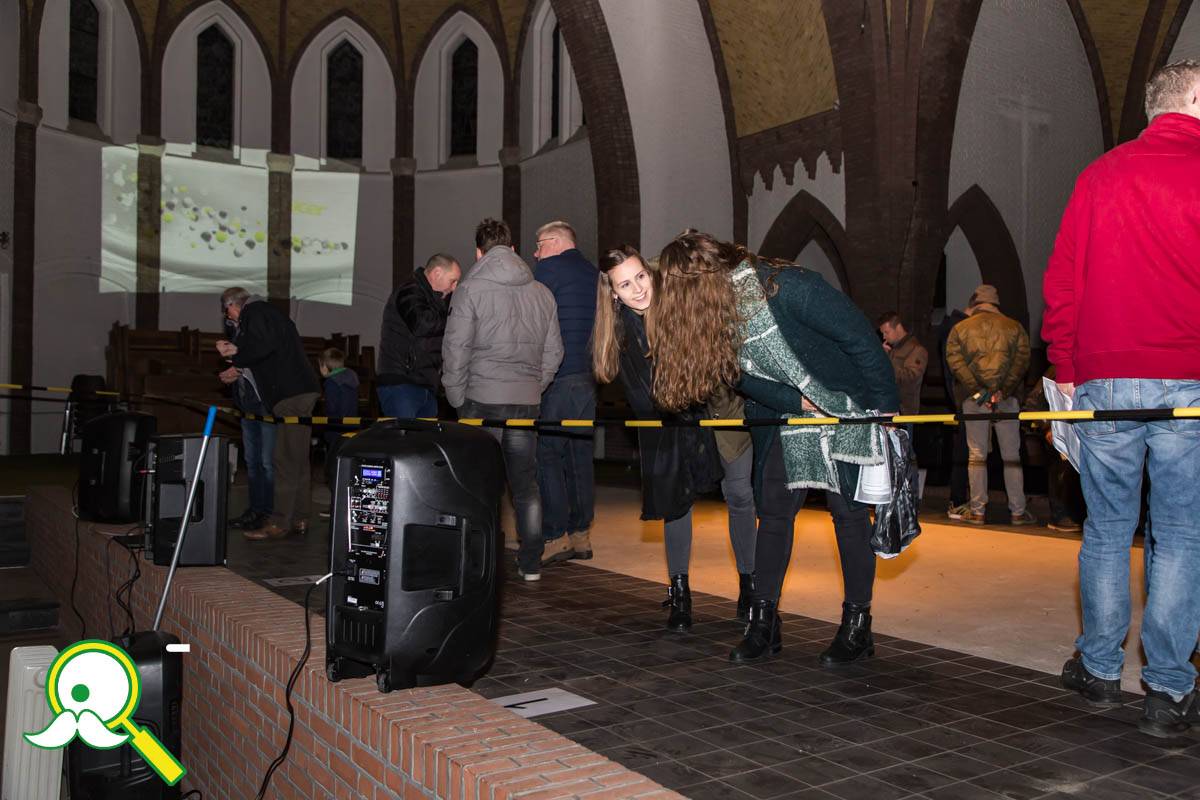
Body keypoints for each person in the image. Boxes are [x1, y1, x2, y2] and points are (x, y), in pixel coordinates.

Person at [650, 231, 898, 666]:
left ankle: (857, 628)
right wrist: (795, 401)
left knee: (849, 515)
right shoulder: (716, 316)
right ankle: (763, 624)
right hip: (791, 415)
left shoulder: (788, 288)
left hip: (847, 405)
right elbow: (735, 374)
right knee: (774, 510)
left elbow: (860, 338)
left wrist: (886, 413)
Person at [1044, 60, 1200, 736]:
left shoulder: (1099, 176)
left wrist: (1065, 364)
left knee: (1107, 528)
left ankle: (1101, 670)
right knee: (1181, 533)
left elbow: (1063, 280)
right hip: (1190, 381)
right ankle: (1168, 690)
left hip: (1105, 381)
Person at [592, 246, 756, 630]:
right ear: (613, 293)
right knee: (675, 501)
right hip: (667, 422)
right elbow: (638, 396)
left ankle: (750, 586)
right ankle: (680, 592)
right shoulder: (619, 332)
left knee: (739, 494)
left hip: (720, 409)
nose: (638, 289)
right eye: (625, 285)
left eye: (641, 277)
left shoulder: (679, 302)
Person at [441, 218, 563, 581]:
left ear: (479, 253)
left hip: (480, 400)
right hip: (526, 402)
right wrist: (533, 386)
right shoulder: (542, 292)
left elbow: (455, 349)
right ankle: (531, 563)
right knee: (525, 485)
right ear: (512, 249)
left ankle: (479, 562)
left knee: (478, 484)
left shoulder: (469, 289)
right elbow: (554, 353)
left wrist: (456, 397)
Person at [216, 287, 320, 540]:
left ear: (233, 305)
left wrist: (234, 354)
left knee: (284, 460)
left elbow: (262, 346)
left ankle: (280, 522)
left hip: (290, 394)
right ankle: (300, 518)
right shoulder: (268, 314)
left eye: (227, 312)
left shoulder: (255, 311)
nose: (229, 318)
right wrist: (238, 362)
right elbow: (265, 348)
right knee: (297, 460)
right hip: (300, 391)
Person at [532, 221, 600, 564]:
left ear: (556, 242)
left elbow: (534, 321)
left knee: (547, 455)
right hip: (588, 376)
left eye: (540, 245)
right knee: (579, 456)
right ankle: (581, 535)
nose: (536, 253)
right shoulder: (594, 273)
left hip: (559, 375)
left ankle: (554, 535)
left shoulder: (549, 270)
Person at [944, 284, 1034, 526]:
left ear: (975, 302)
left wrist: (978, 391)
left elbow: (955, 362)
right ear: (996, 302)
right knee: (1011, 455)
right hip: (1007, 398)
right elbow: (1022, 361)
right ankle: (1017, 511)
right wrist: (1004, 389)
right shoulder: (1014, 327)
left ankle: (978, 510)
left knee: (976, 455)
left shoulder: (961, 328)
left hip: (974, 400)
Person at [376, 254, 461, 419]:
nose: (454, 287)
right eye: (453, 281)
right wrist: (454, 318)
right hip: (401, 382)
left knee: (423, 436)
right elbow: (422, 324)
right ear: (437, 273)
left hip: (425, 384)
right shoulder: (409, 290)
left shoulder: (436, 299)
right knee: (404, 436)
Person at [218, 303, 275, 532]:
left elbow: (265, 362)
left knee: (267, 462)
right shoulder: (236, 332)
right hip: (246, 405)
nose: (227, 316)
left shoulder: (260, 330)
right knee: (252, 462)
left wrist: (239, 367)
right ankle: (255, 510)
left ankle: (269, 513)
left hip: (266, 405)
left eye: (229, 310)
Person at [936, 304, 971, 518]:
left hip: (960, 396)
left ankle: (959, 499)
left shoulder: (950, 327)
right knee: (967, 451)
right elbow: (956, 368)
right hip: (968, 397)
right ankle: (958, 500)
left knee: (965, 450)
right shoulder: (960, 329)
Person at [318, 347, 360, 498]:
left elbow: (332, 408)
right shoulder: (351, 378)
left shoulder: (331, 383)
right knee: (346, 467)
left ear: (325, 366)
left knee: (332, 468)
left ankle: (335, 502)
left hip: (335, 429)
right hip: (350, 428)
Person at [877, 312, 928, 417]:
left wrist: (886, 361)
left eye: (886, 332)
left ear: (898, 328)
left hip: (904, 411)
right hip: (888, 407)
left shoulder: (917, 350)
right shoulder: (892, 349)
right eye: (882, 333)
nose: (884, 337)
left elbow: (910, 377)